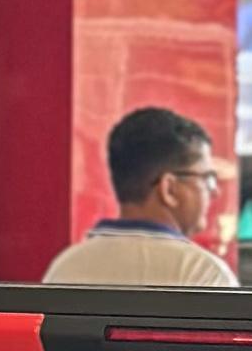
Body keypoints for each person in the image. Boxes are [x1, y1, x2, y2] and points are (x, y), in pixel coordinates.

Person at [43, 105, 236, 286]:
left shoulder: (66, 266)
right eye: (207, 178)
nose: (215, 191)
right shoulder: (203, 273)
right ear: (169, 189)